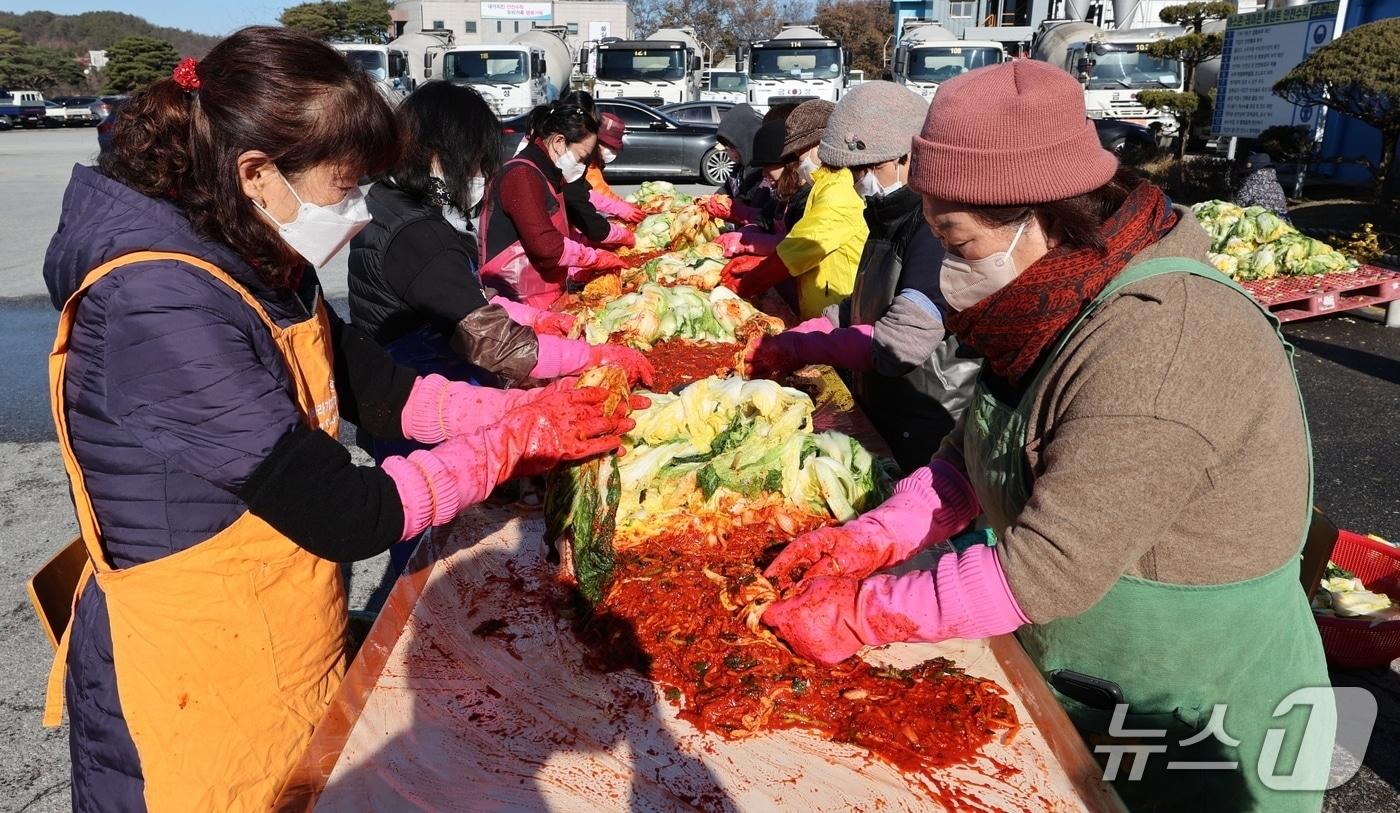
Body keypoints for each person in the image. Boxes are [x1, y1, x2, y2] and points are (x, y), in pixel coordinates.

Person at [40, 28, 637, 811]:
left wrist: (524, 411)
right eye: (346, 184)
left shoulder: (253, 252)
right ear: (257, 175)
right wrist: (504, 449)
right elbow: (345, 508)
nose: (358, 208)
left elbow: (378, 387)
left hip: (279, 625)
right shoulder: (157, 299)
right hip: (189, 673)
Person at [761, 60, 1332, 812]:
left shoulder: (1161, 342)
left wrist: (861, 613)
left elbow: (1044, 570)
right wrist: (877, 533)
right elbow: (980, 444)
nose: (948, 273)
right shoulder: (1052, 301)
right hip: (1081, 679)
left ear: (1042, 217)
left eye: (957, 245)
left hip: (1195, 720)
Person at [349, 82, 651, 395]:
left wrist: (533, 318)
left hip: (415, 385)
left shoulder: (387, 201)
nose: (480, 173)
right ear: (442, 153)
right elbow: (495, 343)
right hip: (426, 392)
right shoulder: (418, 234)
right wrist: (592, 357)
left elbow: (466, 298)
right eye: (476, 161)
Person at [746, 82, 979, 471]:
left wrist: (807, 348)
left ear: (909, 158)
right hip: (883, 405)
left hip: (928, 422)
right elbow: (863, 302)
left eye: (871, 168)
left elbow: (902, 340)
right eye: (855, 171)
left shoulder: (931, 229)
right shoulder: (884, 217)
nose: (861, 181)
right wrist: (803, 332)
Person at [717, 99, 868, 319]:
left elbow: (798, 249)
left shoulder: (838, 191)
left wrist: (747, 284)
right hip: (817, 307)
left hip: (836, 312)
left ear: (818, 145)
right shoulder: (823, 184)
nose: (798, 160)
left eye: (799, 152)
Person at [479, 99, 626, 306]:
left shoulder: (549, 174)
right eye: (582, 157)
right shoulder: (522, 175)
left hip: (544, 293)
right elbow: (548, 247)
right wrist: (593, 257)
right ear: (558, 142)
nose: (582, 166)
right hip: (516, 300)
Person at [564, 108, 644, 248]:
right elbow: (584, 202)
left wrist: (621, 206)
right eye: (606, 145)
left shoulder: (588, 160)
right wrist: (620, 233)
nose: (609, 150)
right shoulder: (576, 165)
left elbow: (589, 195)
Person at [702, 103, 766, 224]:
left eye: (730, 147)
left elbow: (750, 206)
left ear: (742, 145)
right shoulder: (739, 168)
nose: (728, 152)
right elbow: (726, 189)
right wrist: (710, 202)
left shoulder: (759, 171)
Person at [1233, 151, 1289, 218]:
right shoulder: (1275, 183)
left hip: (1264, 220)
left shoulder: (1250, 184)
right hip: (1282, 220)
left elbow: (1238, 204)